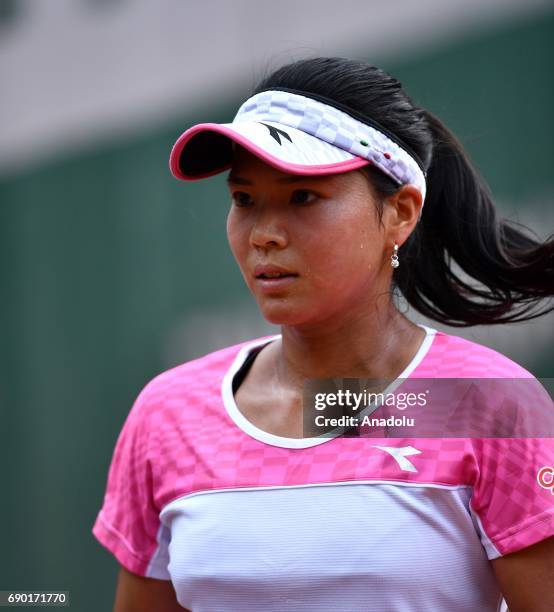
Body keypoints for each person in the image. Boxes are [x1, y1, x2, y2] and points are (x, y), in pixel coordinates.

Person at [92, 57, 554, 611]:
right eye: (243, 199)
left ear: (400, 213)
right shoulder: (167, 415)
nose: (263, 234)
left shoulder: (489, 403)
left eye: (302, 197)